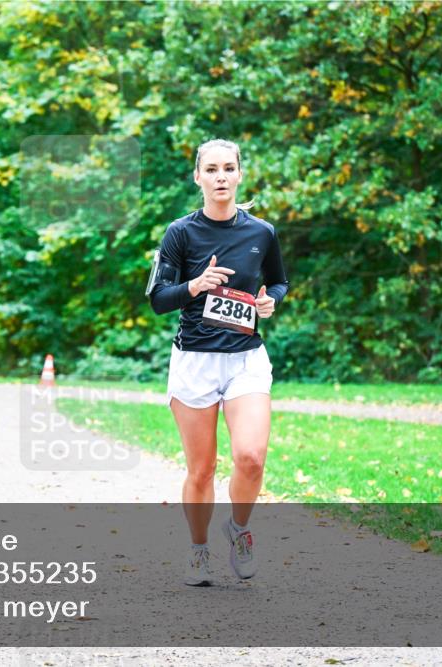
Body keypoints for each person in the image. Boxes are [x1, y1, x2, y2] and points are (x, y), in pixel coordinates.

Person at [147, 138, 289, 585]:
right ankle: (198, 549)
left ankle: (240, 530)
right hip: (195, 362)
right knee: (202, 469)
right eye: (212, 169)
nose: (221, 177)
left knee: (250, 458)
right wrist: (196, 284)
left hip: (245, 359)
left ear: (240, 174)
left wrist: (270, 301)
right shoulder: (180, 233)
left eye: (229, 168)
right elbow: (157, 299)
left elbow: (279, 282)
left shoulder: (261, 232)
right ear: (198, 177)